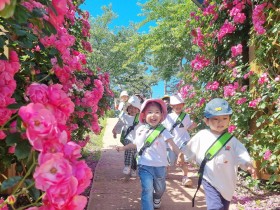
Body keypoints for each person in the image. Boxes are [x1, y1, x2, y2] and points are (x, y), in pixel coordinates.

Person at [185, 98, 256, 210]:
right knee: (215, 207)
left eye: (224, 118)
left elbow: (241, 153)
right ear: (206, 120)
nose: (220, 122)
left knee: (223, 206)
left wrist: (248, 164)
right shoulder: (202, 135)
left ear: (229, 120)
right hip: (210, 179)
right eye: (215, 119)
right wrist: (182, 156)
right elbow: (189, 149)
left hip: (227, 180)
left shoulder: (232, 140)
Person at [116, 98, 184, 210]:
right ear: (143, 115)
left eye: (157, 112)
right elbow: (136, 144)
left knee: (160, 189)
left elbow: (172, 144)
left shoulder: (163, 131)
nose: (154, 115)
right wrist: (124, 147)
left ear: (161, 115)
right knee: (147, 189)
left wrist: (180, 153)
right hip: (144, 165)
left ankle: (157, 198)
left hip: (160, 166)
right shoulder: (140, 130)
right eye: (150, 112)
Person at [162, 93, 196, 187]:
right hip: (171, 143)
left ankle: (185, 177)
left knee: (183, 160)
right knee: (170, 161)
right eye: (175, 105)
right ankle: (165, 173)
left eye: (180, 104)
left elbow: (188, 127)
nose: (177, 106)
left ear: (183, 105)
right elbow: (164, 129)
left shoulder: (186, 116)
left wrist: (192, 126)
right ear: (171, 106)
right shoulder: (167, 117)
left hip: (183, 141)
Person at [112, 95, 142, 177]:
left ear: (138, 109)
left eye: (135, 108)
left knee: (135, 154)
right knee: (129, 148)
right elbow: (118, 125)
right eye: (130, 107)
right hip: (127, 138)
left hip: (137, 140)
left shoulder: (140, 118)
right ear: (127, 108)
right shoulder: (124, 116)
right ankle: (127, 165)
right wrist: (114, 132)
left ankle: (133, 168)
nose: (133, 110)